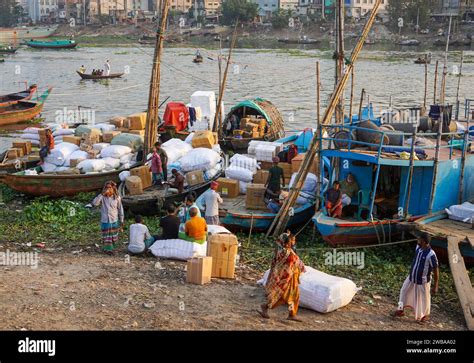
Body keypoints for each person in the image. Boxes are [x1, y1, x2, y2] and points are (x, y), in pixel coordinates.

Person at [257, 232, 305, 321]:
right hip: (285, 279)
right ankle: (265, 306)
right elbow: (293, 262)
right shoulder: (285, 252)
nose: (293, 242)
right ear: (286, 242)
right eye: (292, 240)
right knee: (283, 297)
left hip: (291, 278)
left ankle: (292, 314)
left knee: (294, 296)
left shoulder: (285, 250)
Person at [395, 233, 439, 323]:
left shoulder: (431, 254)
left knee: (424, 298)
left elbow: (435, 269)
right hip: (412, 277)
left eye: (419, 239)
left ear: (423, 241)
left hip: (423, 280)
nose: (417, 240)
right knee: (403, 290)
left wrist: (436, 285)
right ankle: (400, 309)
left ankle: (425, 315)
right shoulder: (418, 248)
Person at [92, 181, 124, 255]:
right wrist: (102, 194)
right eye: (106, 188)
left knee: (113, 236)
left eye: (109, 188)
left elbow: (120, 209)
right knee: (106, 236)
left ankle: (111, 249)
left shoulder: (117, 198)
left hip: (114, 220)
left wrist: (122, 220)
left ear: (113, 188)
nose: (108, 189)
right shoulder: (102, 197)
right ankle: (108, 250)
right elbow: (95, 203)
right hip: (105, 220)